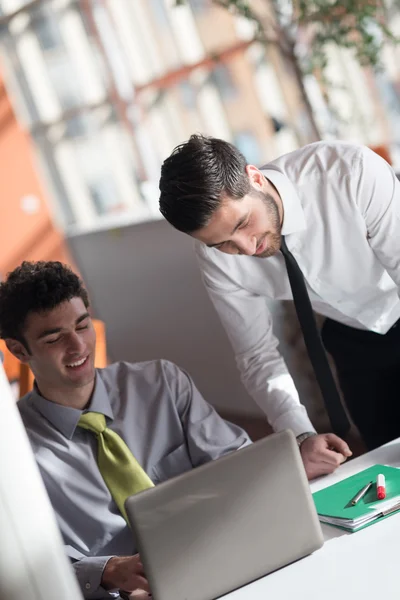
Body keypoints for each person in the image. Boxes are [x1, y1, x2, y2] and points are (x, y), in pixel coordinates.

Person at [0, 261, 251, 600]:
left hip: (222, 555)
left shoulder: (162, 382)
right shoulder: (12, 451)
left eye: (82, 325)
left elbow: (238, 462)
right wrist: (106, 572)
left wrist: (290, 458)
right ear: (18, 350)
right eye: (55, 338)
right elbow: (25, 561)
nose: (78, 347)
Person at [159, 134, 400, 456]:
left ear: (255, 177)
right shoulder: (217, 259)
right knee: (384, 465)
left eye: (244, 223)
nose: (246, 248)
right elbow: (256, 355)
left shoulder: (348, 173)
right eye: (223, 243)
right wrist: (300, 436)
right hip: (353, 339)